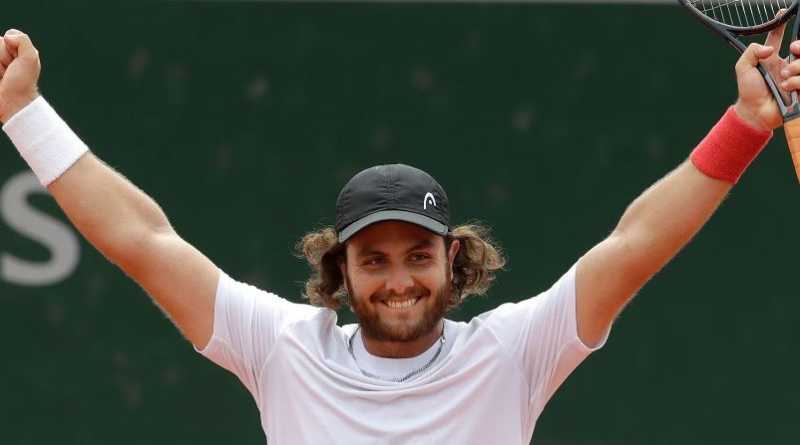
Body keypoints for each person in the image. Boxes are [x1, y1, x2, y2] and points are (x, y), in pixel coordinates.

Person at [0, 26, 794, 444]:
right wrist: (24, 113)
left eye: (418, 255)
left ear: (454, 259)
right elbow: (143, 239)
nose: (399, 280)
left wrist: (745, 125)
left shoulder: (513, 353)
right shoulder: (284, 348)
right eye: (373, 260)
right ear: (340, 271)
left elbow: (636, 243)